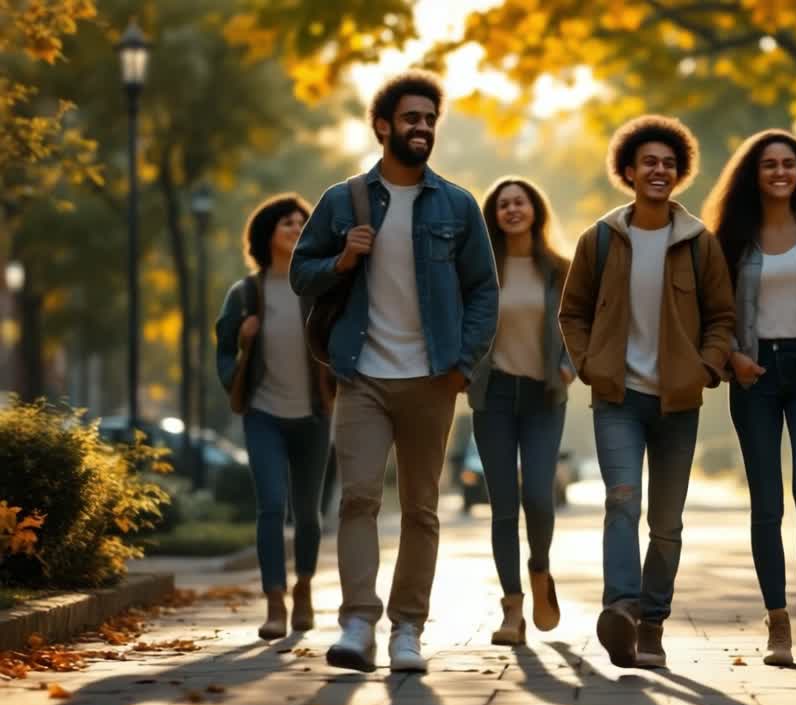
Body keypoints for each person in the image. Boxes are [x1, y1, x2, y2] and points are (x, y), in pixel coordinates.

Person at [289, 70, 499, 673]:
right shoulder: (343, 200)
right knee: (357, 498)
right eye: (412, 119)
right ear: (384, 126)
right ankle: (358, 622)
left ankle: (408, 628)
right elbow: (301, 275)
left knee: (421, 507)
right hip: (362, 375)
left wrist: (463, 364)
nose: (423, 129)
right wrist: (343, 257)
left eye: (430, 120)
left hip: (433, 379)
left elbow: (483, 288)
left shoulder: (457, 205)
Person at [558, 114, 735, 669]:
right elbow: (573, 312)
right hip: (618, 399)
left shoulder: (699, 243)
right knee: (621, 501)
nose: (658, 170)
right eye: (648, 162)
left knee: (666, 523)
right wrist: (588, 364)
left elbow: (722, 317)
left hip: (678, 401)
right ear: (629, 171)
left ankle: (653, 622)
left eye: (668, 163)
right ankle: (621, 609)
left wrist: (706, 368)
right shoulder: (601, 240)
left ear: (677, 174)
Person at [701, 129, 796, 666]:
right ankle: (778, 623)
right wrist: (732, 357)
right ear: (753, 174)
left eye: (789, 163)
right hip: (754, 374)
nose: (780, 172)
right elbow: (714, 312)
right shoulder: (731, 238)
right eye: (769, 165)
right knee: (766, 503)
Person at [214, 193, 333, 641]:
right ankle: (275, 602)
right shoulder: (246, 293)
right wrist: (239, 363)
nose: (297, 227)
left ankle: (303, 588)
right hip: (263, 413)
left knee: (308, 513)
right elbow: (223, 350)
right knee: (270, 508)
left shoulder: (317, 289)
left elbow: (339, 340)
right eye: (288, 222)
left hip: (313, 415)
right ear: (268, 233)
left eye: (303, 222)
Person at [469, 177, 575, 646]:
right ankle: (512, 608)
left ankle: (539, 571)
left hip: (543, 396)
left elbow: (580, 321)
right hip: (493, 395)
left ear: (536, 209)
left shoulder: (559, 269)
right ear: (494, 214)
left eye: (521, 202)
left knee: (537, 493)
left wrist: (571, 364)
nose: (512, 209)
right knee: (503, 508)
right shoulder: (479, 271)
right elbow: (464, 321)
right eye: (504, 204)